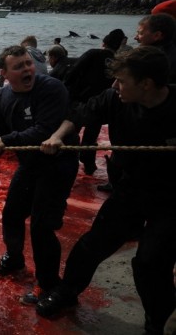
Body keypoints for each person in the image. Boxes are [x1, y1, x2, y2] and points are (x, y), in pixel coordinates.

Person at [37, 46, 176, 335]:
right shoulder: (114, 98)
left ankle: (157, 322)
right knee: (92, 244)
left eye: (122, 80)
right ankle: (66, 292)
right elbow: (79, 115)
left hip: (172, 198)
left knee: (150, 262)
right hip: (131, 187)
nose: (114, 86)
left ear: (146, 84)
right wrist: (57, 136)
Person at [0, 45, 79, 305]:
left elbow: (43, 130)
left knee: (41, 227)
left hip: (58, 163)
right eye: (19, 66)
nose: (27, 69)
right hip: (31, 164)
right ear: (4, 73)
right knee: (11, 213)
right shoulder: (3, 97)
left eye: (28, 64)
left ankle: (48, 285)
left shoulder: (52, 88)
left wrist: (5, 140)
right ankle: (14, 259)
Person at [64, 28, 125, 176]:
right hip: (101, 104)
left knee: (71, 131)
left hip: (79, 101)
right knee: (91, 135)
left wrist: (66, 92)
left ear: (104, 43)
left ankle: (66, 162)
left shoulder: (93, 53)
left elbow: (73, 72)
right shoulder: (119, 63)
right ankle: (89, 164)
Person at [134, 13, 176, 82]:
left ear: (157, 35)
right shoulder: (171, 53)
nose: (135, 37)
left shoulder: (150, 60)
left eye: (141, 33)